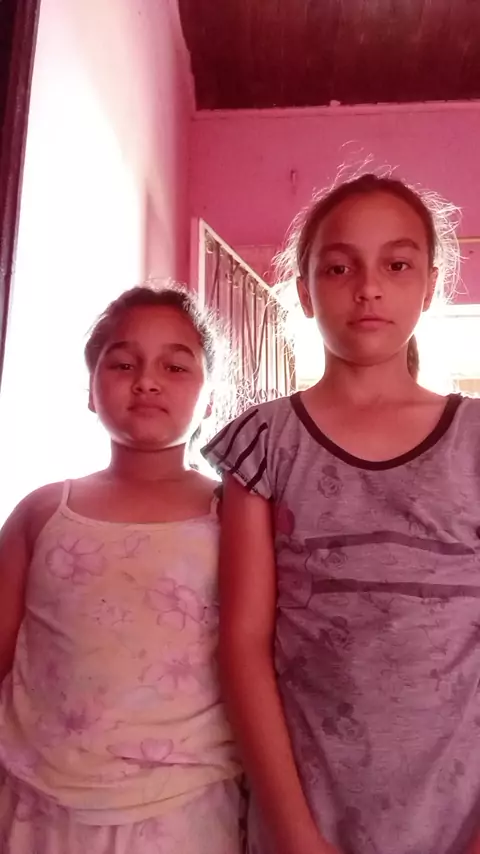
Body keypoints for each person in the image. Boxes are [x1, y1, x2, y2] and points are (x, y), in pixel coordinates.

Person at [203, 173, 480, 854]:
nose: (368, 287)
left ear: (431, 285)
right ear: (302, 289)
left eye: (396, 264)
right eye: (338, 267)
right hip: (306, 819)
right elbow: (242, 644)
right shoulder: (265, 442)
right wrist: (295, 836)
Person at [0, 285, 242, 853]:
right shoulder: (43, 512)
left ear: (211, 397)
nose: (147, 381)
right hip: (36, 802)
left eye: (175, 366)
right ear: (89, 389)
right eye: (123, 363)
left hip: (186, 809)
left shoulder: (237, 516)